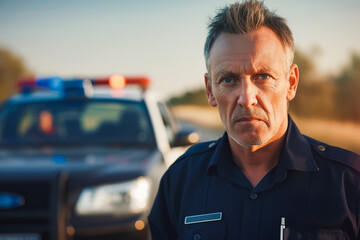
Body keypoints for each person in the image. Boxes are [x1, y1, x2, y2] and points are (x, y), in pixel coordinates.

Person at [148, 1, 360, 239]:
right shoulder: (180, 181)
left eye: (263, 76)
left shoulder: (349, 183)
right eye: (228, 80)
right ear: (210, 90)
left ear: (291, 83)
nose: (246, 98)